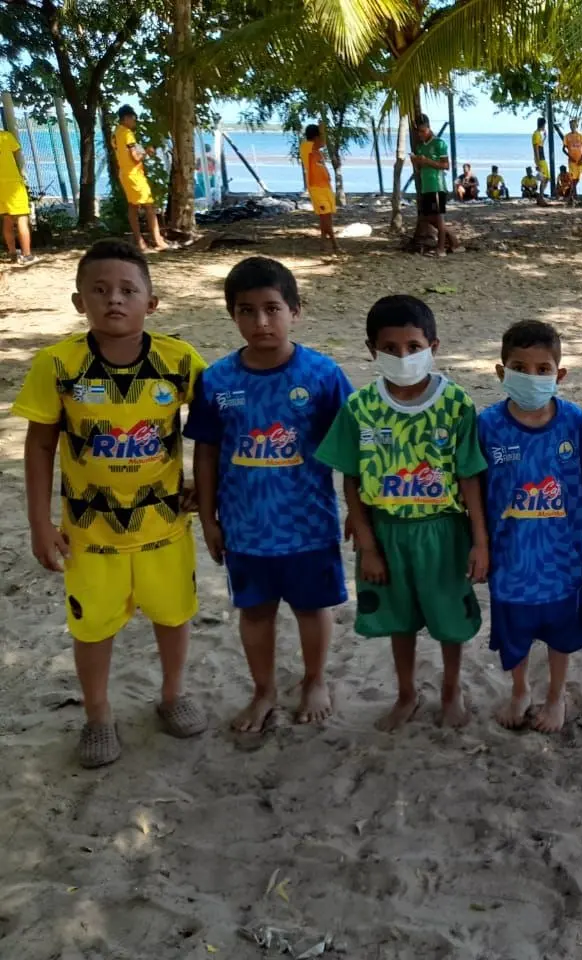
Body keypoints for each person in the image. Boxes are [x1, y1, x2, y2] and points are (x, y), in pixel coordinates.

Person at [13, 239, 207, 768]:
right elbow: (39, 446)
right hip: (89, 536)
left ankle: (173, 694)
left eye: (127, 290)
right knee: (92, 626)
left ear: (152, 302)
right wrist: (39, 523)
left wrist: (208, 488)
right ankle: (98, 716)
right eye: (99, 291)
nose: (114, 300)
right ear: (80, 302)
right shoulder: (58, 365)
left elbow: (214, 428)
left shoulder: (179, 360)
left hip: (165, 527)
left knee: (173, 615)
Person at [184, 257, 353, 733]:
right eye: (247, 310)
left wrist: (360, 514)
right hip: (245, 528)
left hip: (309, 525)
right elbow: (206, 452)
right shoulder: (217, 380)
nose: (261, 321)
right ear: (232, 315)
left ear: (295, 311)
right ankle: (264, 691)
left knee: (312, 607)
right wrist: (209, 519)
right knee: (255, 612)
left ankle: (315, 680)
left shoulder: (322, 375)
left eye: (272, 308)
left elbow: (351, 449)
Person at [315, 295, 488, 732]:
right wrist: (368, 544)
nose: (403, 356)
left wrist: (480, 541)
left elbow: (470, 476)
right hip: (387, 533)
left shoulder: (456, 404)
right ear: (371, 350)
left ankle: (451, 690)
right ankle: (407, 694)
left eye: (414, 346)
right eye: (390, 348)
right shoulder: (360, 407)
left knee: (449, 617)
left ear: (434, 346)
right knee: (399, 618)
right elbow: (351, 477)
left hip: (444, 532)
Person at [479, 320, 582, 734]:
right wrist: (479, 544)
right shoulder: (487, 425)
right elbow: (474, 489)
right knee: (515, 634)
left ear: (559, 375)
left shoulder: (574, 422)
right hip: (510, 561)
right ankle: (520, 690)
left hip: (562, 559)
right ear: (501, 372)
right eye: (519, 368)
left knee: (561, 633)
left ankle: (556, 695)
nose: (531, 377)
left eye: (543, 369)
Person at [112, 106, 167, 251]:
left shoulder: (116, 133)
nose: (134, 122)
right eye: (133, 119)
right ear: (126, 118)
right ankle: (157, 240)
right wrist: (147, 152)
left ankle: (140, 241)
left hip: (125, 174)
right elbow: (135, 157)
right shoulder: (128, 134)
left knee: (133, 206)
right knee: (149, 206)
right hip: (134, 175)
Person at [410, 115, 452, 256]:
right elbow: (419, 170)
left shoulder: (439, 144)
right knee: (427, 218)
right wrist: (415, 162)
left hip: (437, 186)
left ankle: (441, 249)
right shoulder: (420, 147)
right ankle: (454, 240)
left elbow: (446, 165)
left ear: (428, 128)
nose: (421, 134)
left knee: (439, 218)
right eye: (419, 132)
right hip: (426, 187)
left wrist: (427, 161)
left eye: (423, 131)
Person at [0, 126, 36, 265]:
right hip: (12, 182)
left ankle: (12, 253)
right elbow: (17, 156)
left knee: (7, 218)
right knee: (21, 217)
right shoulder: (6, 136)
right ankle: (26, 255)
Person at [300, 124, 338, 252]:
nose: (322, 140)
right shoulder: (306, 147)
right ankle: (334, 243)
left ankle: (323, 244)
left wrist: (322, 130)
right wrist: (322, 129)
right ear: (315, 137)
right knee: (325, 215)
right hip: (316, 188)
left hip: (326, 187)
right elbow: (322, 143)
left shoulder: (318, 152)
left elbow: (322, 144)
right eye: (320, 136)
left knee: (327, 216)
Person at [562, 119, 582, 206]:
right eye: (571, 125)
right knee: (572, 179)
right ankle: (572, 196)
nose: (572, 127)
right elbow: (563, 149)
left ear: (576, 126)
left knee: (578, 179)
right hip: (572, 161)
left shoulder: (581, 135)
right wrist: (569, 156)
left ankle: (573, 195)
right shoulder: (567, 136)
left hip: (579, 160)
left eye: (574, 125)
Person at [532, 118, 550, 197]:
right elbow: (536, 148)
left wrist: (545, 137)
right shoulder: (536, 134)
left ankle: (541, 194)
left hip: (542, 158)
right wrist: (538, 162)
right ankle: (541, 195)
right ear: (543, 125)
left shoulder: (539, 134)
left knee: (547, 178)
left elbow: (540, 145)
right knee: (544, 178)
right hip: (540, 159)